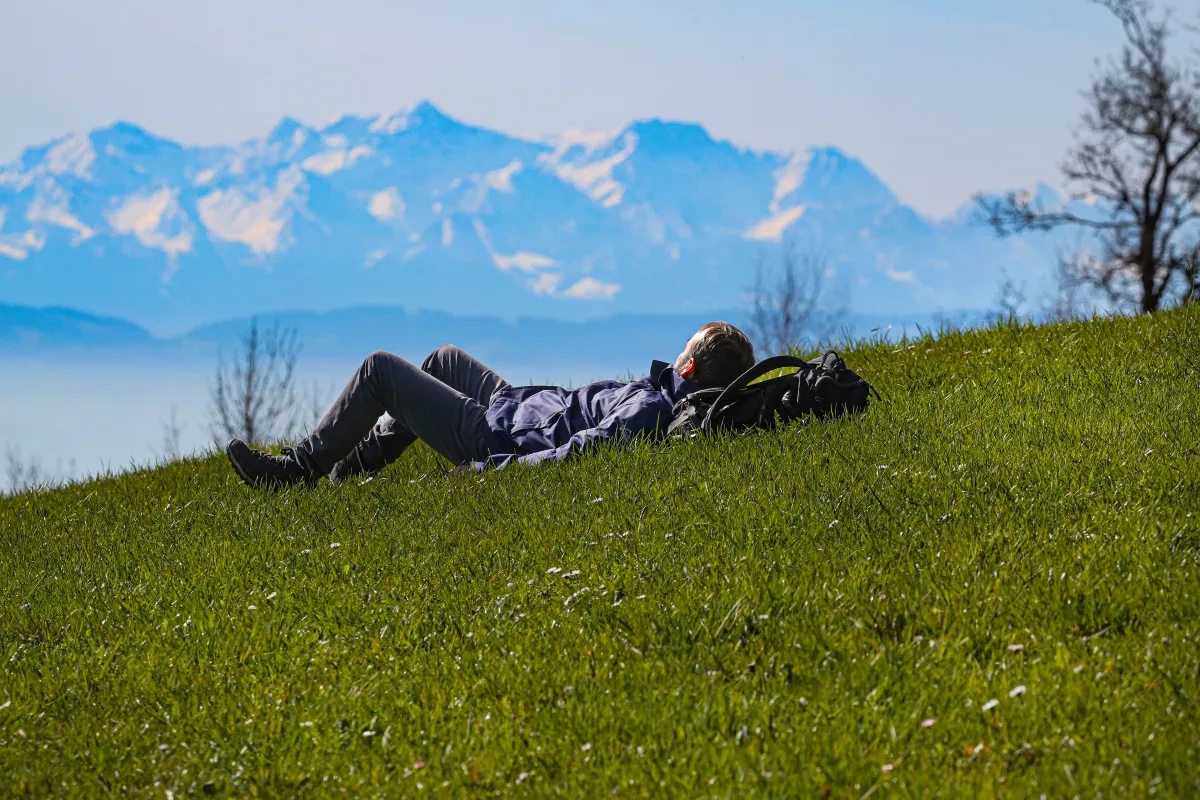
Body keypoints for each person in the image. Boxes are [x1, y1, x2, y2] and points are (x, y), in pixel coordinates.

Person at [225, 321, 755, 488]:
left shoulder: (650, 412)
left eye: (683, 347)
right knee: (442, 357)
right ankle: (354, 464)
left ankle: (295, 474)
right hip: (514, 404)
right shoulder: (661, 396)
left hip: (495, 433)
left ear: (687, 366)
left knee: (380, 370)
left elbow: (573, 453)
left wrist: (483, 469)